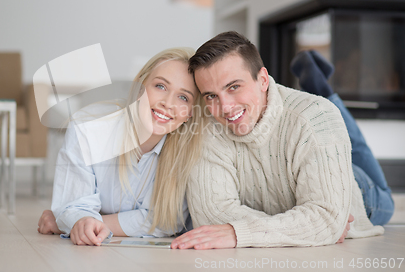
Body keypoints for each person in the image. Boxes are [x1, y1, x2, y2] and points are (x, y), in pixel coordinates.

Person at [170, 31, 392, 249]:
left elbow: (326, 217)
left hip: (356, 187)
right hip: (302, 162)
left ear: (263, 79)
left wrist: (239, 231)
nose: (225, 107)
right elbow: (212, 216)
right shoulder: (207, 128)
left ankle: (328, 95)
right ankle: (324, 92)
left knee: (385, 199)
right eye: (211, 96)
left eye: (234, 87)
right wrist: (304, 227)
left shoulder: (317, 116)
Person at [38, 47, 205, 245]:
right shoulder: (88, 128)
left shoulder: (191, 150)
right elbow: (73, 204)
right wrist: (79, 220)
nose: (168, 103)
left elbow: (165, 220)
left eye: (183, 97)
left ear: (191, 113)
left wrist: (79, 223)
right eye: (160, 86)